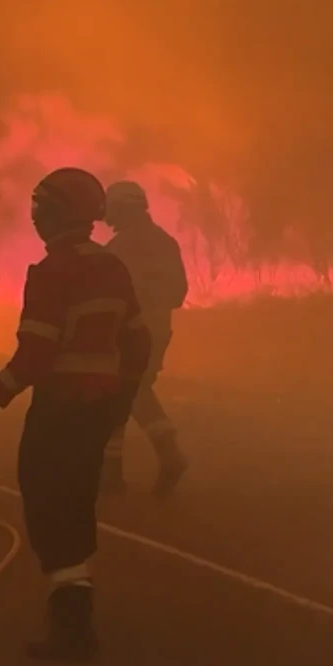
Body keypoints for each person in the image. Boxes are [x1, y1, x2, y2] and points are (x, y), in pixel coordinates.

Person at [0, 167, 151, 662]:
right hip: (94, 415)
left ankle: (72, 628)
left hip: (59, 413)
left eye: (40, 210)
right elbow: (138, 340)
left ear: (59, 214)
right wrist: (122, 397)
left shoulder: (52, 273)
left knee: (49, 509)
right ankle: (75, 614)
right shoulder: (113, 268)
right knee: (75, 503)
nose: (35, 220)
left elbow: (35, 356)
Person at [100, 180, 189, 497]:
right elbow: (179, 294)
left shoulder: (119, 248)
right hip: (159, 330)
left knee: (121, 393)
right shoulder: (165, 242)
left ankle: (167, 456)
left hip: (126, 333)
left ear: (121, 209)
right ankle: (116, 473)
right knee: (133, 392)